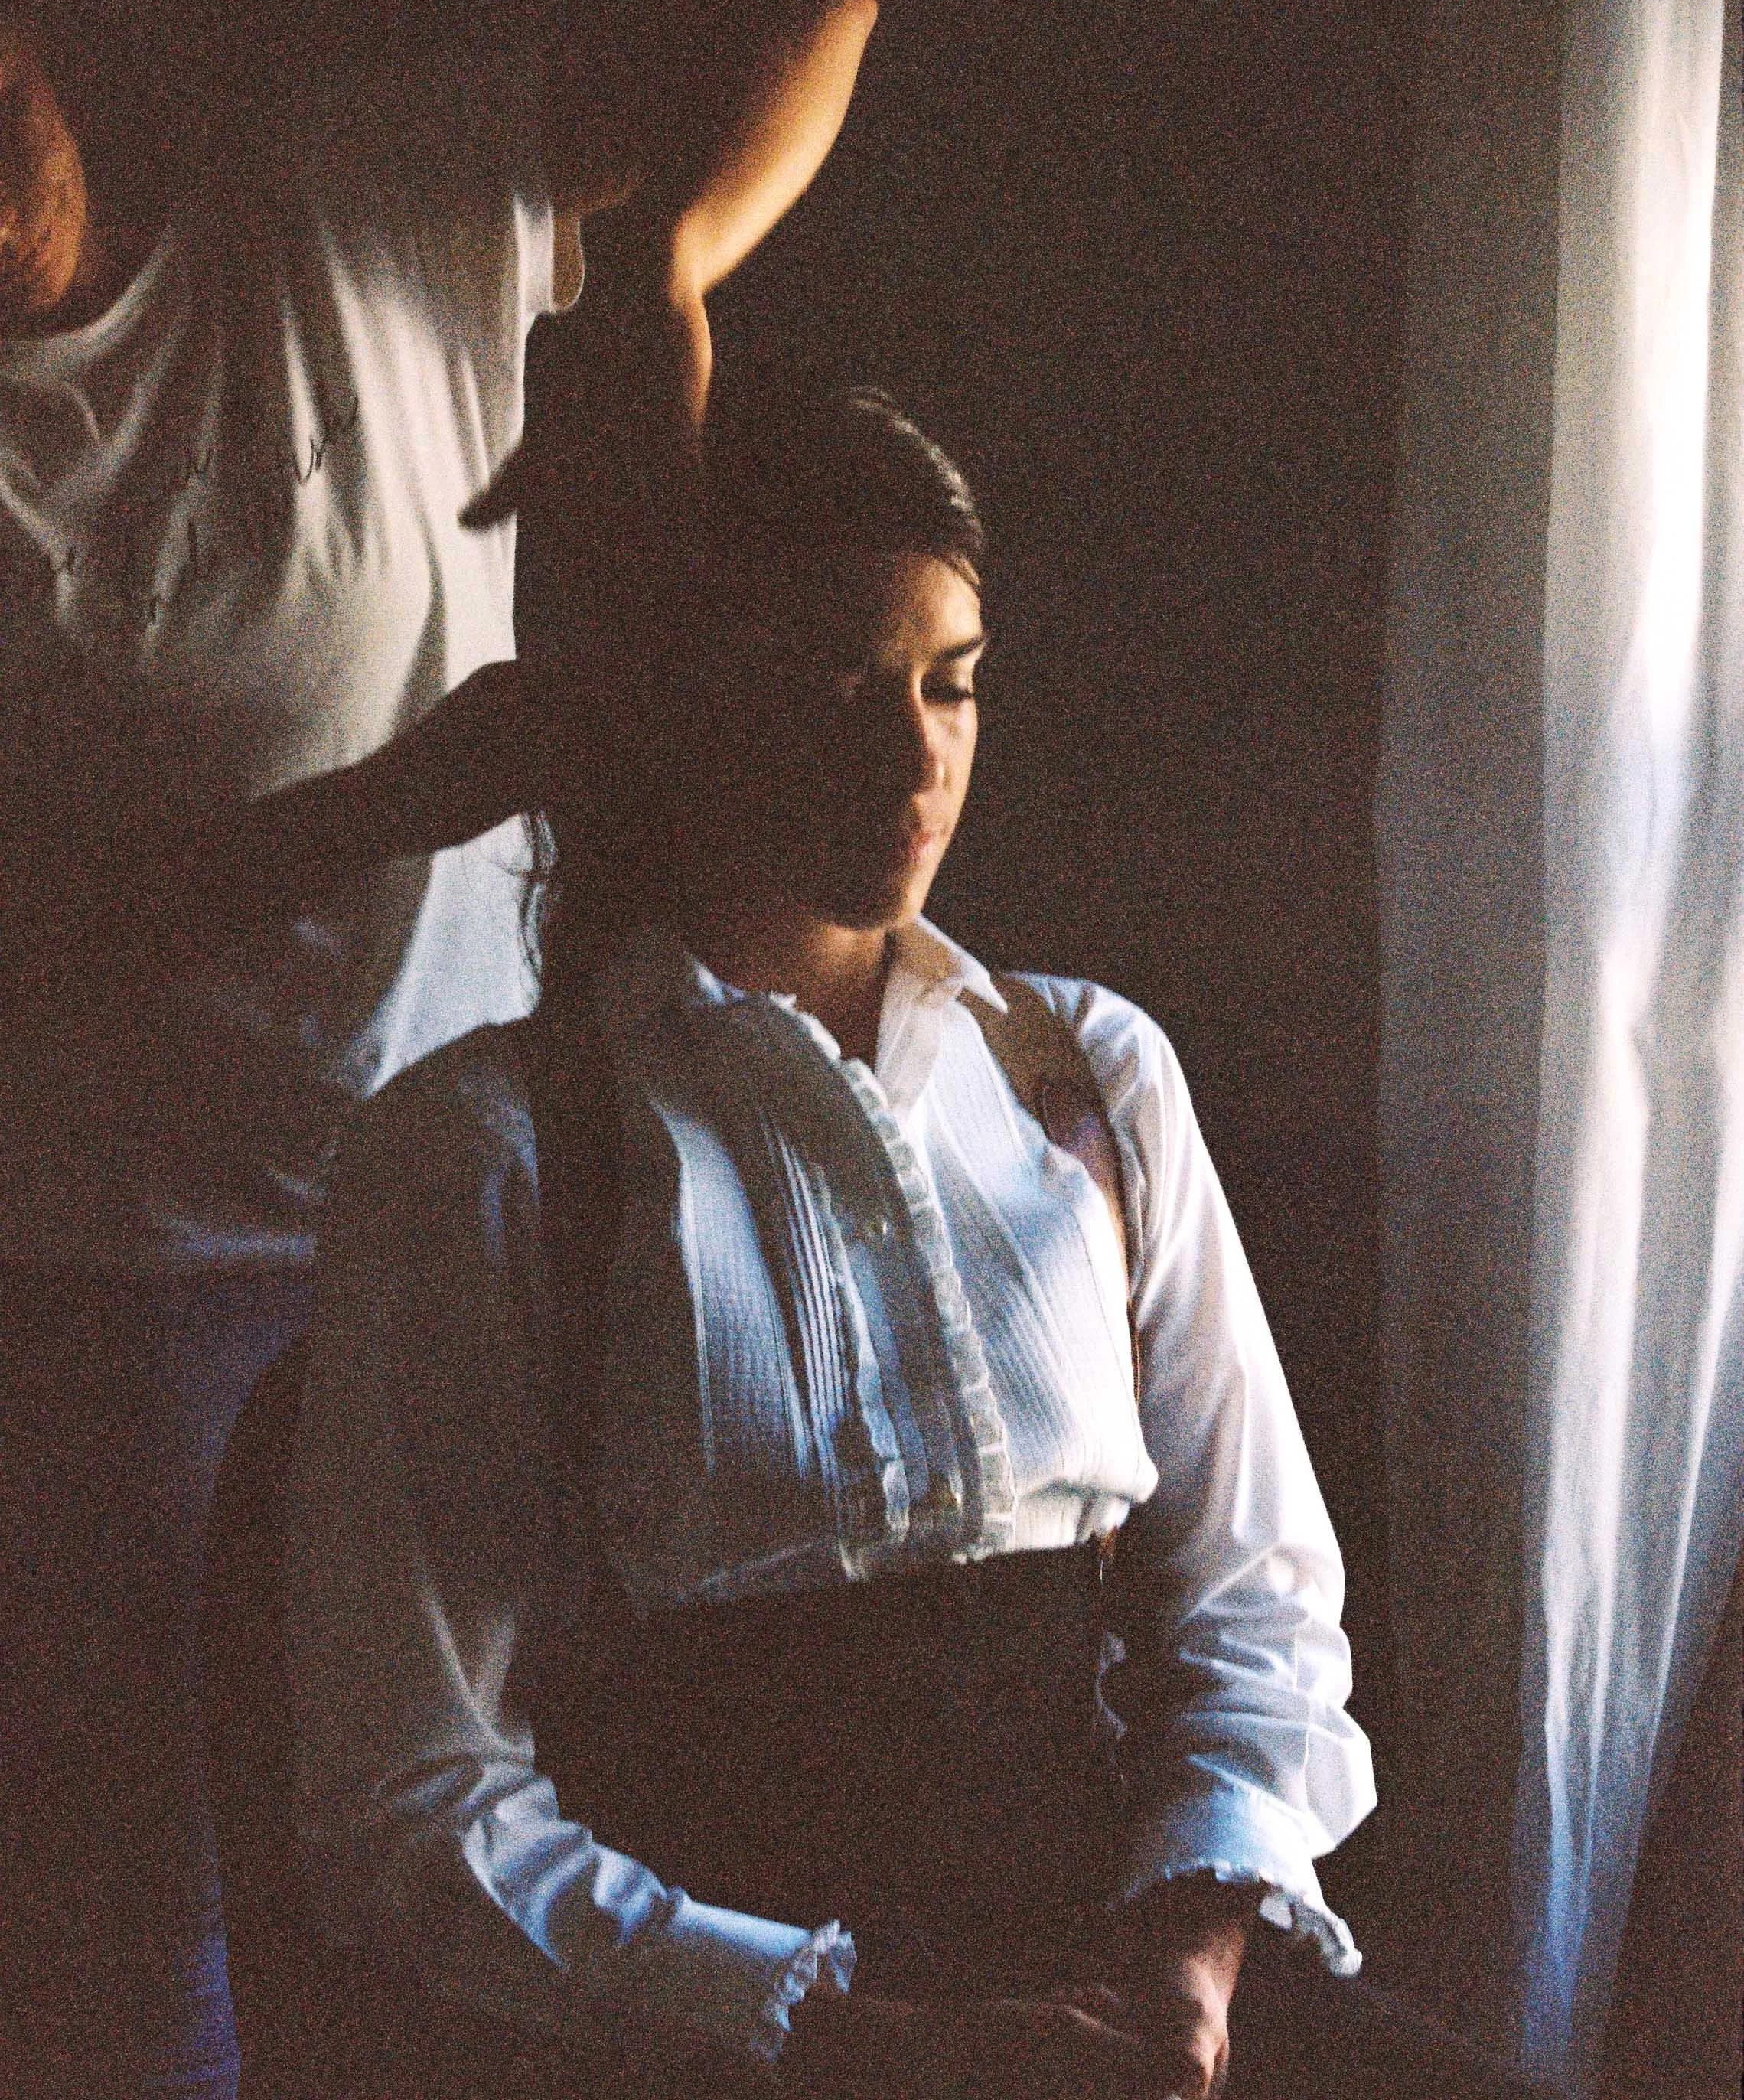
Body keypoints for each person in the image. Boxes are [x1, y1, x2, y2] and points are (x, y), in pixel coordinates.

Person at [0, 0, 879, 2094]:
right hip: (128, 1275)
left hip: (470, 1196)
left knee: (513, 1800)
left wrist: (662, 269)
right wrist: (406, 798)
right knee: (164, 1884)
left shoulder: (356, 199)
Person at [281, 381, 1381, 2100]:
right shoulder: (483, 1153)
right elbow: (411, 1798)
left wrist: (1185, 1948)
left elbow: (1249, 1591)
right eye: (838, 687)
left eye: (952, 681)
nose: (915, 752)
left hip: (1114, 1976)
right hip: (709, 2030)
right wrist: (860, 2044)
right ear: (682, 708)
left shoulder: (1087, 1073)